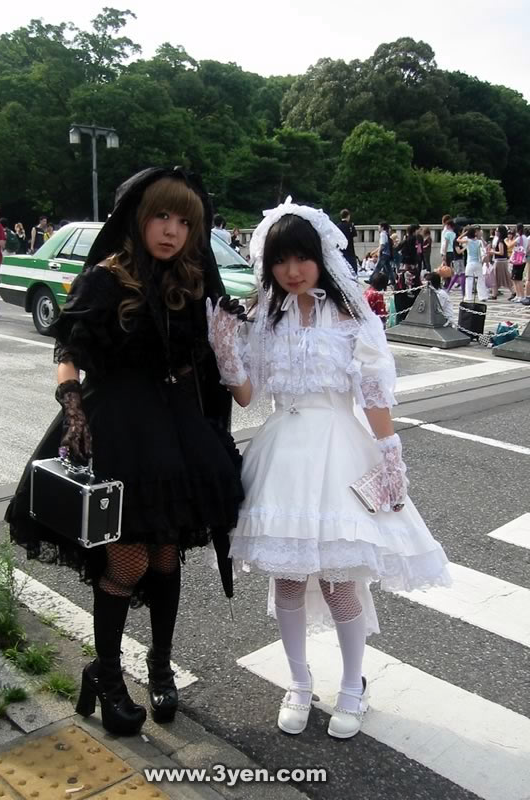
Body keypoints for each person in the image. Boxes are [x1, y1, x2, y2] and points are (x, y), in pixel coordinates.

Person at [6, 167, 244, 737]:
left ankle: (159, 666)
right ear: (138, 218)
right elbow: (68, 349)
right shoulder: (106, 279)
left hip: (175, 434)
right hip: (116, 429)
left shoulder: (192, 283)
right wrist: (73, 408)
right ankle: (108, 676)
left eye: (184, 221)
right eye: (161, 216)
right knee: (127, 560)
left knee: (166, 556)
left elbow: (211, 364)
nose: (172, 230)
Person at [205, 199, 450, 740]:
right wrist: (226, 349)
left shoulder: (351, 318)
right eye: (280, 260)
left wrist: (390, 452)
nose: (292, 270)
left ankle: (352, 686)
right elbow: (247, 396)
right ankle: (297, 682)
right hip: (282, 453)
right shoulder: (266, 321)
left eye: (302, 258)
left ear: (320, 258)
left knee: (341, 583)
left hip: (338, 449)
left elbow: (373, 391)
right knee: (288, 580)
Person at [457, 227, 488, 302]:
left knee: (469, 280)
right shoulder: (479, 241)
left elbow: (458, 239)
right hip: (478, 263)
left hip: (470, 263)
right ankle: (482, 296)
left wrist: (465, 233)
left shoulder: (468, 241)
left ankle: (469, 297)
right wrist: (481, 237)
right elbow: (485, 245)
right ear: (475, 233)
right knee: (480, 279)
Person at [489, 225, 514, 300]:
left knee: (497, 278)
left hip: (500, 261)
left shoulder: (500, 241)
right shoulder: (503, 240)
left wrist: (493, 251)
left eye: (497, 231)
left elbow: (501, 252)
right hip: (502, 261)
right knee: (501, 278)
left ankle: (495, 294)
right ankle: (495, 294)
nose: (495, 232)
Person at [509, 223, 528, 303]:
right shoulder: (525, 238)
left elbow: (510, 245)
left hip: (518, 259)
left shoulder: (519, 238)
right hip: (522, 259)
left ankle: (521, 296)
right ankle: (518, 295)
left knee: (517, 278)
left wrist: (508, 240)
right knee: (515, 278)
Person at [337, 209, 358, 275]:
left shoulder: (337, 226)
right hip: (350, 250)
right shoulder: (351, 225)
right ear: (348, 216)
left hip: (341, 250)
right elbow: (355, 236)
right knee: (353, 268)